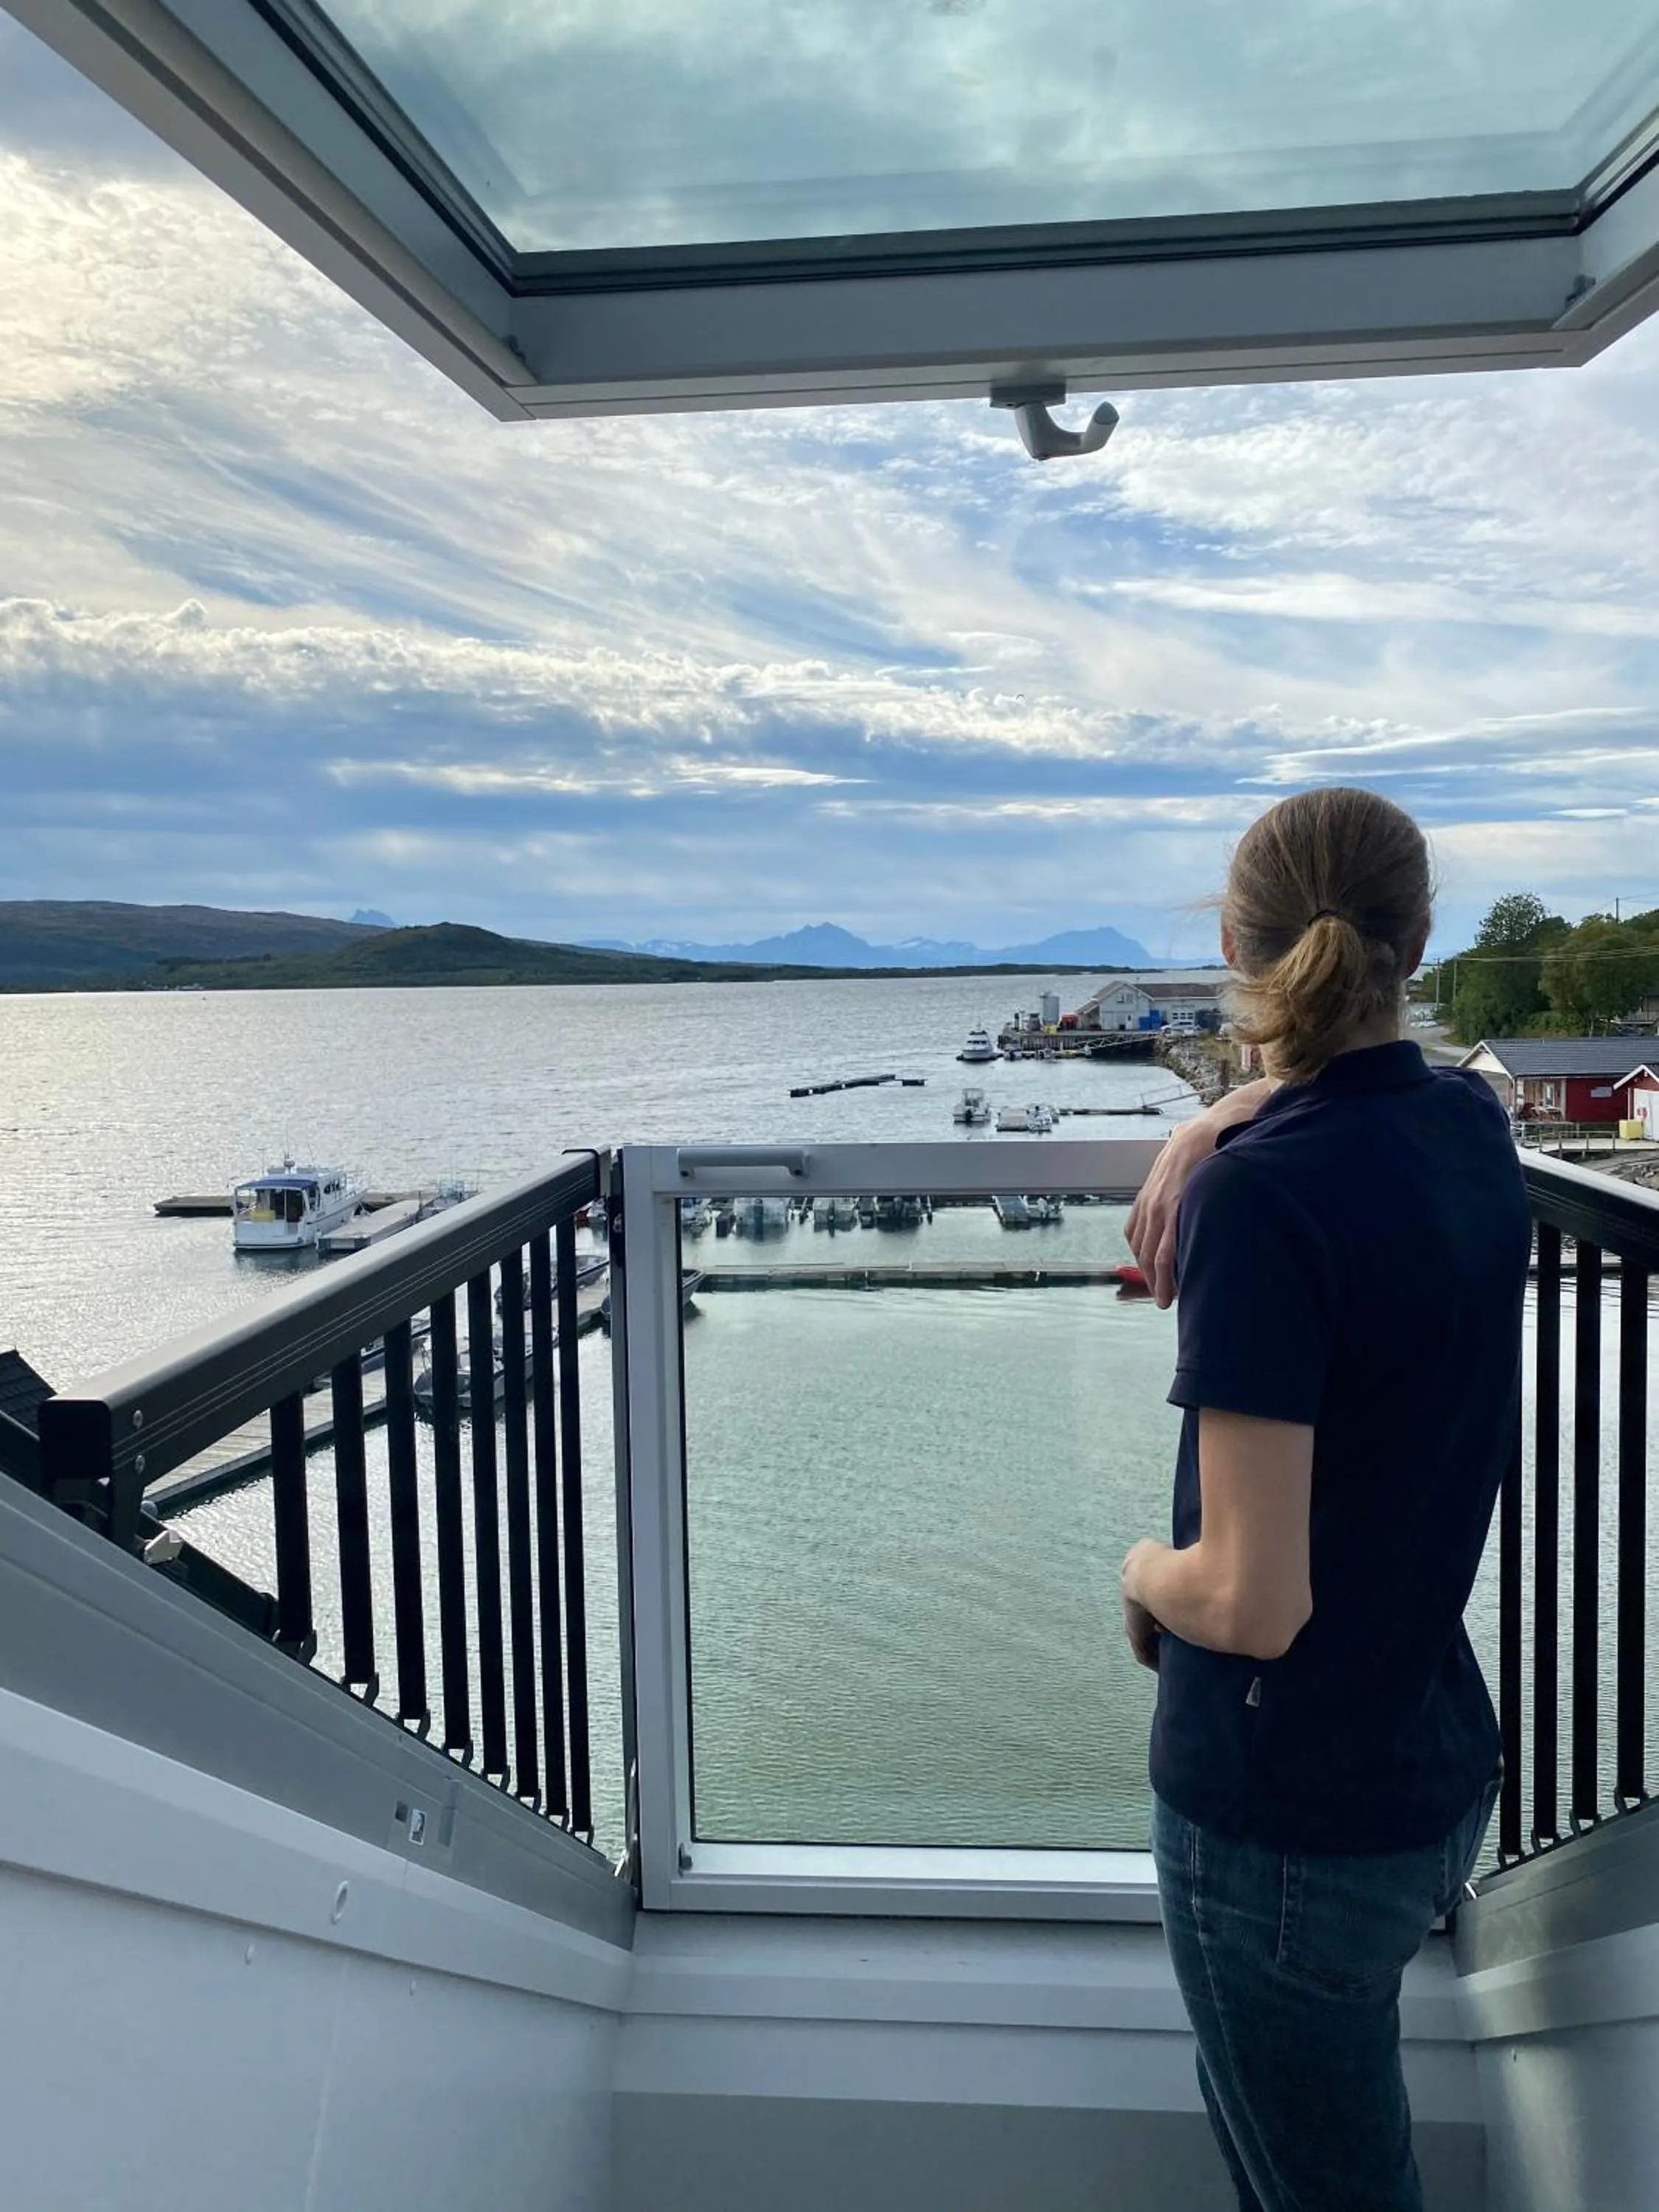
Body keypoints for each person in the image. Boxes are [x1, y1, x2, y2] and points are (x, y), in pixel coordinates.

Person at [1121, 787, 1528, 2212]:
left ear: (1235, 942)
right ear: (1417, 945)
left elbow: (1248, 1598)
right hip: (1425, 1757)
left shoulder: (1265, 1198)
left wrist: (1134, 1570)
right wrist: (1225, 1115)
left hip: (1283, 1812)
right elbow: (1364, 1093)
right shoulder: (1474, 1128)